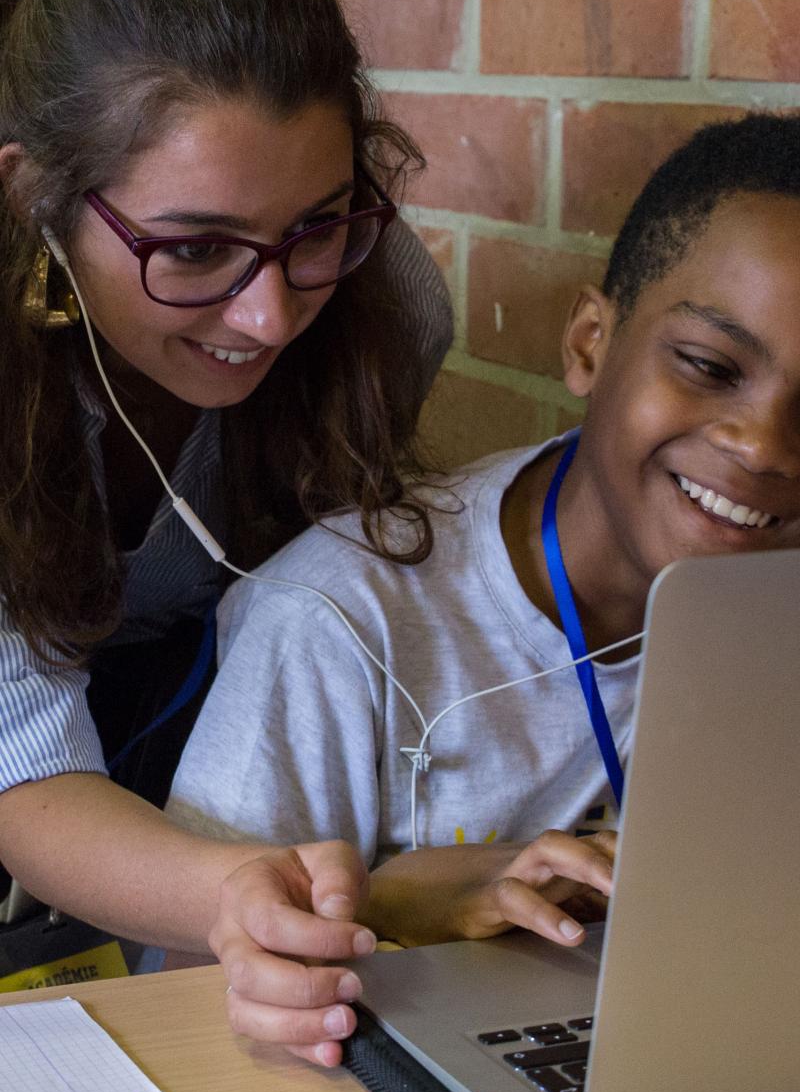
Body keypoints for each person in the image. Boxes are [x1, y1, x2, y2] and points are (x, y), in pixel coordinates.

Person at [169, 111, 800, 1043]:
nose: (764, 446)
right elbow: (182, 1003)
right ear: (589, 344)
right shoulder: (335, 618)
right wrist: (385, 913)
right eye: (709, 367)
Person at [0, 0, 453, 1065]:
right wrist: (232, 894)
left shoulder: (383, 304)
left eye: (314, 226)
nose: (266, 316)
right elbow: (23, 771)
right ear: (38, 197)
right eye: (195, 250)